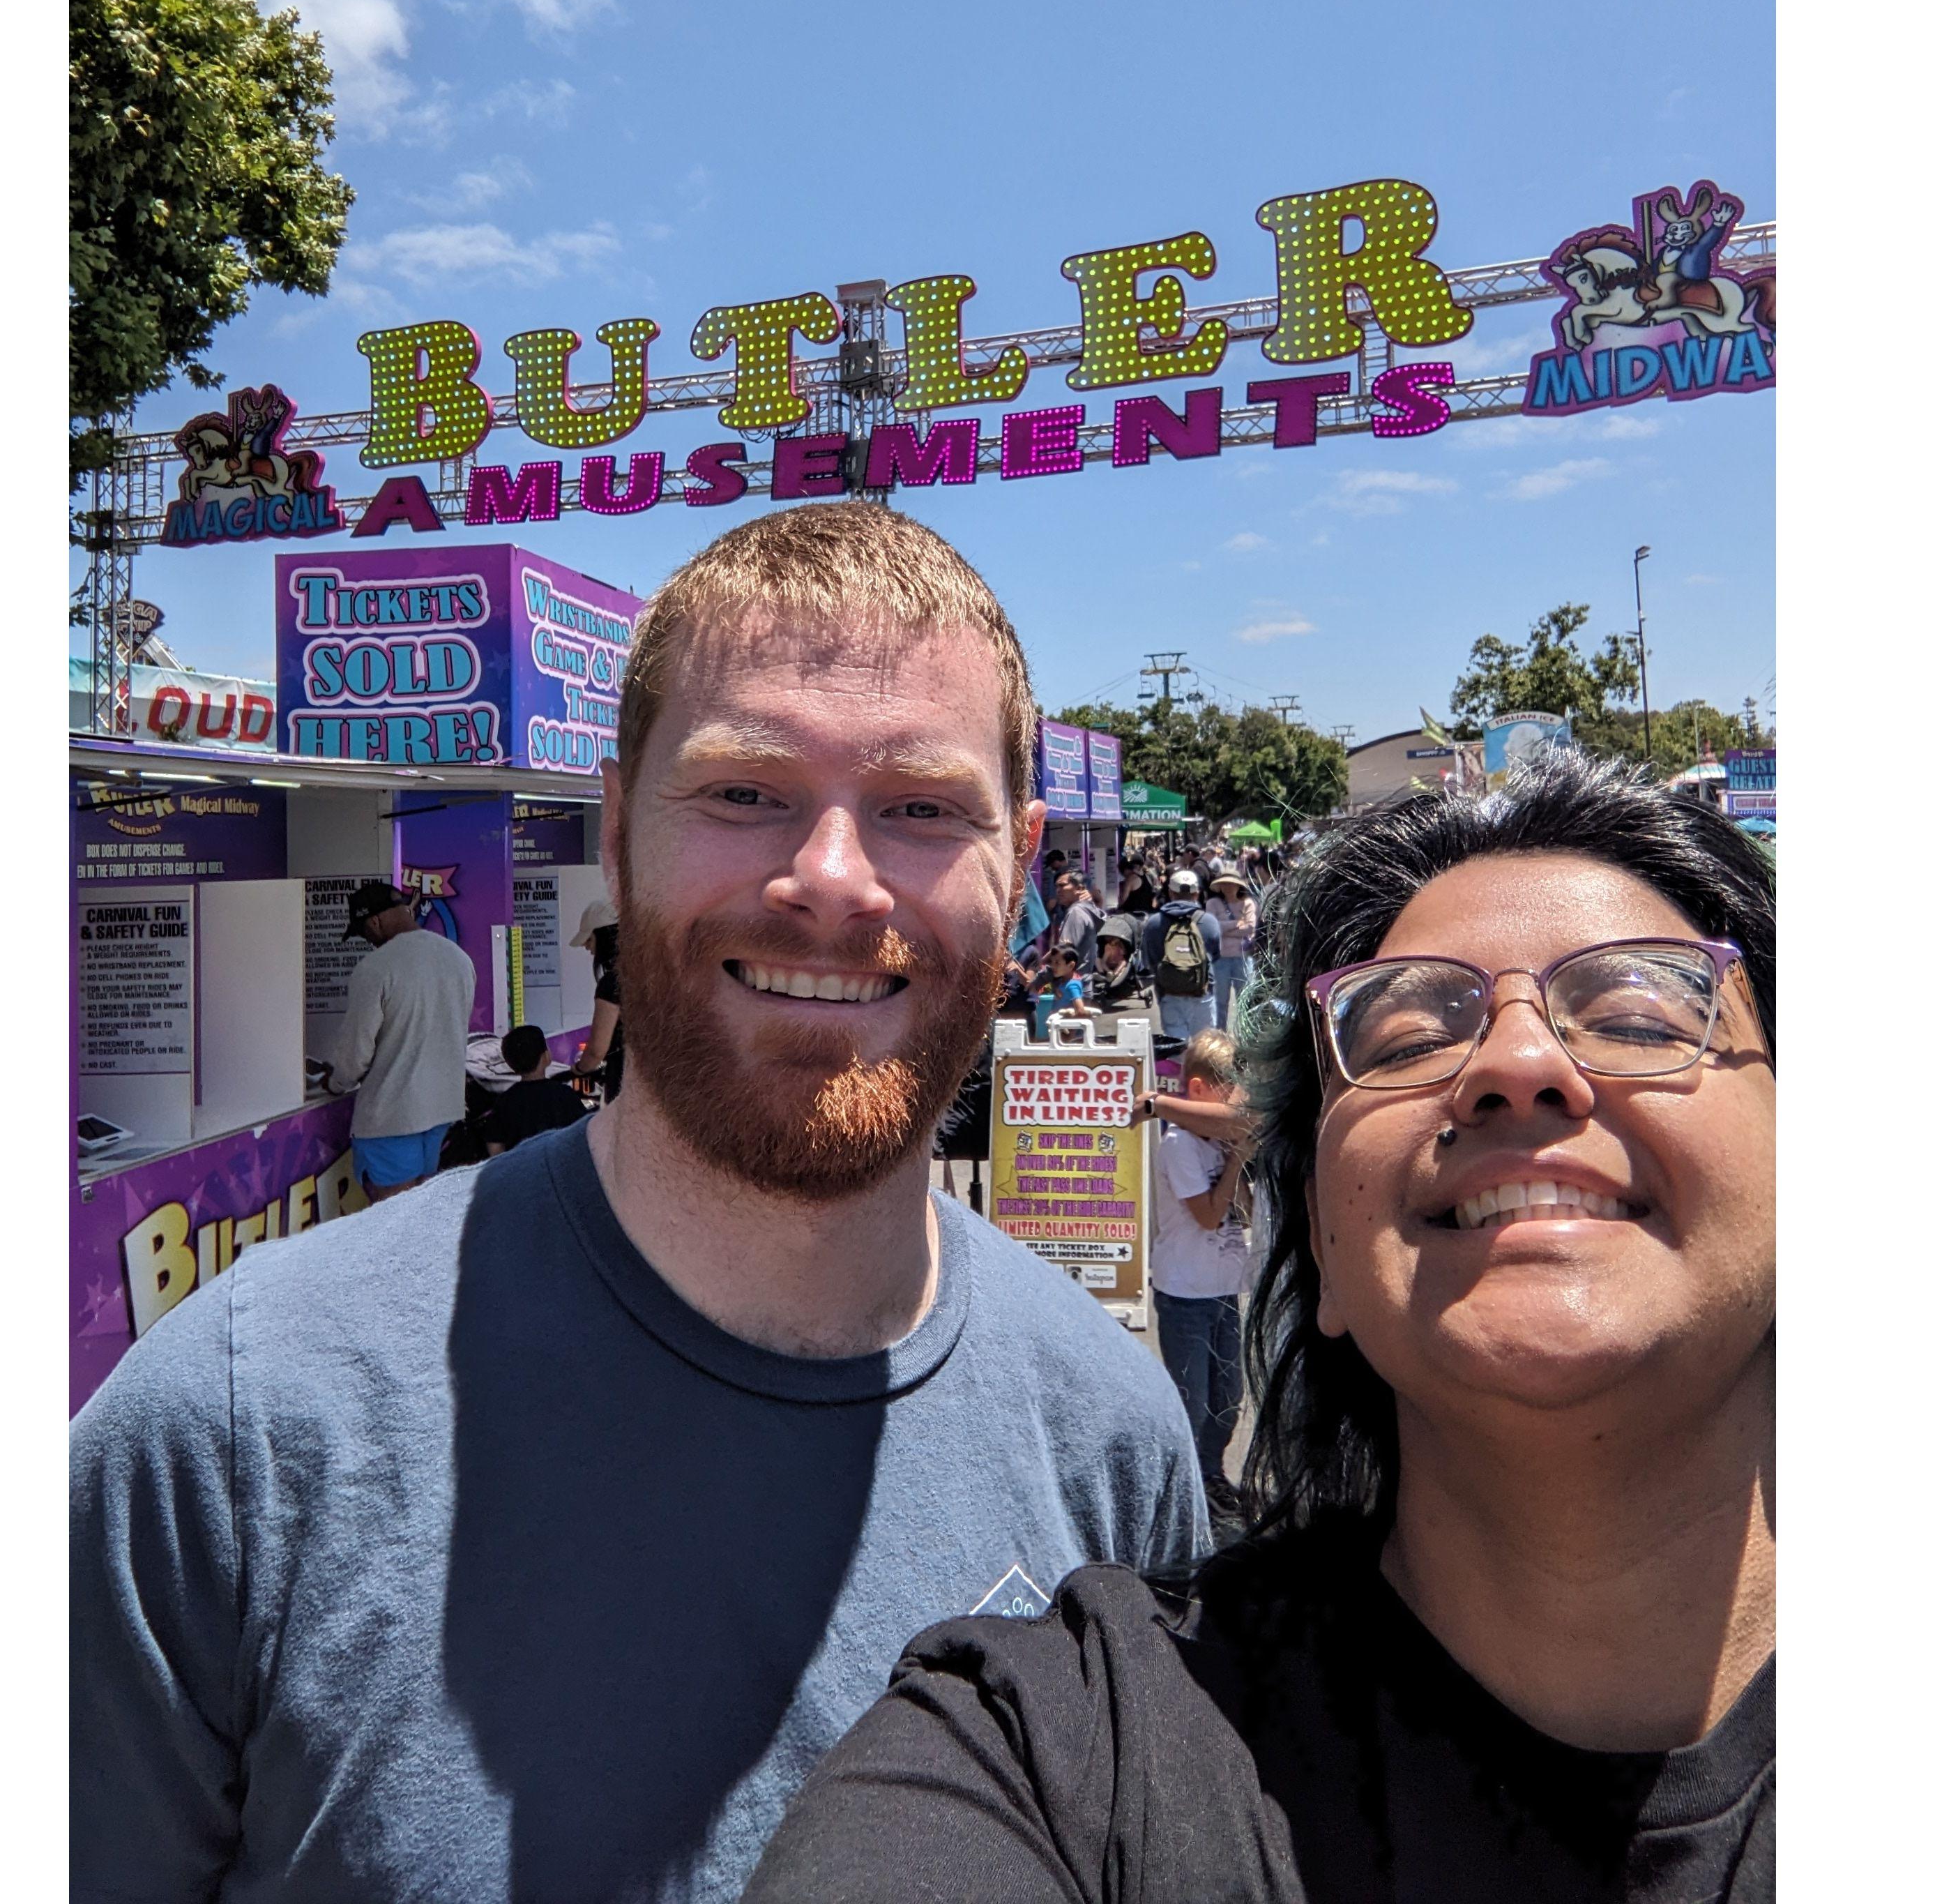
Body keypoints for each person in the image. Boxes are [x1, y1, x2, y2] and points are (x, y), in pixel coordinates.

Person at [71, 503, 1207, 1904]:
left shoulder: (1117, 1443)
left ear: (1020, 866)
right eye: (742, 792)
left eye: (919, 807)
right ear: (616, 832)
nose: (831, 882)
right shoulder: (225, 1441)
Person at [743, 750, 1777, 1903]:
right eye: (1400, 1036)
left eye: (1637, 1009)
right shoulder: (1071, 1748)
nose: (1515, 1059)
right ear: (1323, 1246)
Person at [1147, 1027, 1252, 1523]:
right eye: (1228, 1088)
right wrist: (1236, 1161)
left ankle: (1210, 1476)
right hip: (1185, 1293)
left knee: (1228, 1399)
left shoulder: (1215, 1139)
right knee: (1193, 1405)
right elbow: (1209, 1216)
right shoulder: (1180, 1145)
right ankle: (1182, 1499)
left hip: (1223, 1289)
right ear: (1198, 1091)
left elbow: (1245, 1214)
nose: (1235, 1102)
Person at [324, 879, 478, 1198]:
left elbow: (356, 1054)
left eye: (363, 931)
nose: (367, 940)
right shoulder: (458, 958)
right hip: (441, 1112)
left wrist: (335, 1082)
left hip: (391, 1116)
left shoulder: (376, 968)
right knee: (420, 1215)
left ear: (374, 921)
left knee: (391, 1224)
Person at [476, 1022, 588, 1154]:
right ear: (547, 1056)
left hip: (522, 1170)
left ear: (509, 1063)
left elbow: (494, 1145)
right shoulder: (565, 1095)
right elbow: (584, 1132)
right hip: (559, 1167)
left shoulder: (505, 1101)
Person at [1141, 867, 1222, 1044]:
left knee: (1176, 1049)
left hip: (1169, 993)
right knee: (1204, 1048)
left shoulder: (1154, 923)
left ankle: (1178, 1072)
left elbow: (1150, 961)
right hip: (1202, 993)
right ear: (1197, 894)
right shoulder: (1209, 922)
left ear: (1170, 892)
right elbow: (1215, 956)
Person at [572, 894, 624, 1102]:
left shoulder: (613, 983)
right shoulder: (653, 974)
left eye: (590, 939)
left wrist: (578, 1070)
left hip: (627, 1079)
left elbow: (596, 1051)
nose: (586, 947)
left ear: (606, 937)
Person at [1206, 866, 1259, 1032]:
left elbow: (1250, 928)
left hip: (1243, 957)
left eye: (1232, 884)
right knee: (1220, 1001)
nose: (1228, 887)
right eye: (1225, 884)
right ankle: (1220, 1037)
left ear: (1239, 886)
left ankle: (1246, 1035)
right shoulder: (1212, 903)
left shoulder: (1248, 903)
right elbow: (1212, 928)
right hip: (1220, 958)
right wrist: (1237, 924)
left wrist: (1225, 929)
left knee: (1245, 1001)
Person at [1086, 913, 1153, 1016]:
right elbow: (1104, 959)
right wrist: (1106, 968)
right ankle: (1105, 975)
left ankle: (1114, 974)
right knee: (1098, 960)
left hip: (1118, 964)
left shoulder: (1121, 948)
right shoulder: (1108, 947)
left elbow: (1125, 959)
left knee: (1123, 963)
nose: (1111, 942)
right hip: (1108, 966)